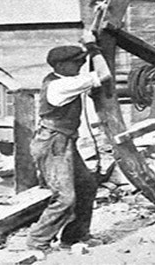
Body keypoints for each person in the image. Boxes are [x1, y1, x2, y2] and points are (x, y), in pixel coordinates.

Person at [26, 30, 111, 259]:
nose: (81, 67)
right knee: (65, 197)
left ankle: (73, 237)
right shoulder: (61, 85)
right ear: (61, 66)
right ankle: (37, 241)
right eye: (77, 63)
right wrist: (93, 48)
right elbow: (104, 75)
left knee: (87, 186)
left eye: (82, 62)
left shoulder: (64, 80)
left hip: (63, 141)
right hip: (52, 143)